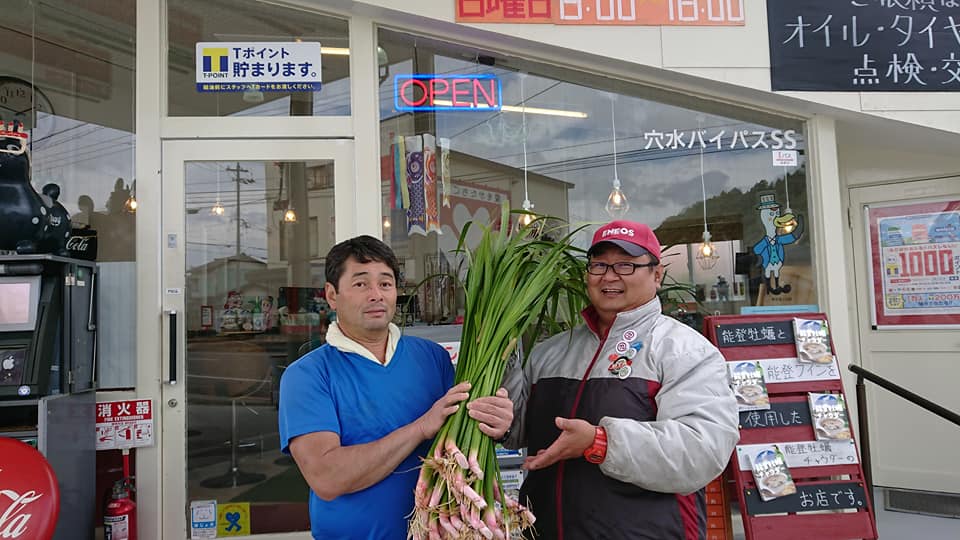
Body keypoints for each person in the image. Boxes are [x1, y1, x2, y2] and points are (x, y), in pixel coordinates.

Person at [501, 220, 739, 540]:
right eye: (599, 265)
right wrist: (500, 356)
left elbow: (702, 450)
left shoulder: (684, 350)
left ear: (657, 274)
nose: (609, 276)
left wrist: (600, 442)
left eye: (626, 265)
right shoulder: (551, 352)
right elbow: (517, 431)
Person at [278, 235, 514, 539]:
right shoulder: (308, 375)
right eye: (361, 284)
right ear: (332, 295)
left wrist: (496, 424)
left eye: (385, 283)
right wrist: (420, 428)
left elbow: (462, 443)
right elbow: (327, 477)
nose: (376, 294)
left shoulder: (432, 357)